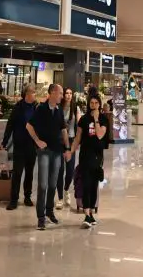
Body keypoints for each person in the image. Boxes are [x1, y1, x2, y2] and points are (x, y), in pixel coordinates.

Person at [27, 84, 69, 229]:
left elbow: (63, 130)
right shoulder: (41, 109)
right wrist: (37, 141)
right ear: (52, 93)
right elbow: (29, 126)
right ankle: (41, 216)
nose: (62, 96)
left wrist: (67, 148)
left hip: (57, 151)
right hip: (44, 152)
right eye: (60, 93)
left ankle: (50, 211)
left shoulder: (59, 111)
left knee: (52, 184)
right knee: (43, 184)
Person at [75, 93, 113, 227]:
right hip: (85, 155)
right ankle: (86, 214)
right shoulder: (83, 120)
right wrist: (71, 151)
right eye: (91, 103)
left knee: (93, 185)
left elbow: (100, 134)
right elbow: (78, 137)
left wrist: (96, 120)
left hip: (97, 157)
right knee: (86, 184)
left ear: (100, 104)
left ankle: (91, 212)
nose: (94, 105)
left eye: (96, 103)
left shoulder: (103, 119)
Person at [1, 85, 37, 210]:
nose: (35, 94)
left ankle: (27, 197)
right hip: (19, 144)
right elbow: (10, 125)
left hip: (32, 145)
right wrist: (4, 142)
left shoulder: (36, 107)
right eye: (33, 92)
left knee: (29, 173)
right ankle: (14, 199)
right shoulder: (18, 108)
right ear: (27, 94)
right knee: (17, 173)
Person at [59, 86, 79, 209]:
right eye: (66, 93)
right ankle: (60, 197)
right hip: (60, 141)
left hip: (71, 140)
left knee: (70, 170)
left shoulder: (75, 108)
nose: (68, 95)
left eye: (70, 93)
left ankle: (66, 190)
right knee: (60, 170)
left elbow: (80, 124)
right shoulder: (59, 108)